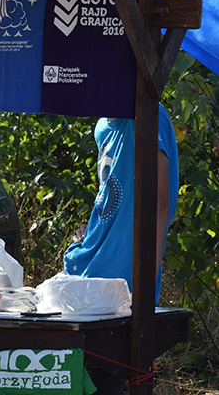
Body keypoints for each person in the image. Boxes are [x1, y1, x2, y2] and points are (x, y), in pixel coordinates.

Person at [63, 103, 179, 395]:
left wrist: (144, 286)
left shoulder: (146, 114)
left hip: (122, 284)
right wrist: (92, 231)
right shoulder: (102, 127)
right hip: (88, 273)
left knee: (106, 375)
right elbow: (109, 195)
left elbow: (161, 205)